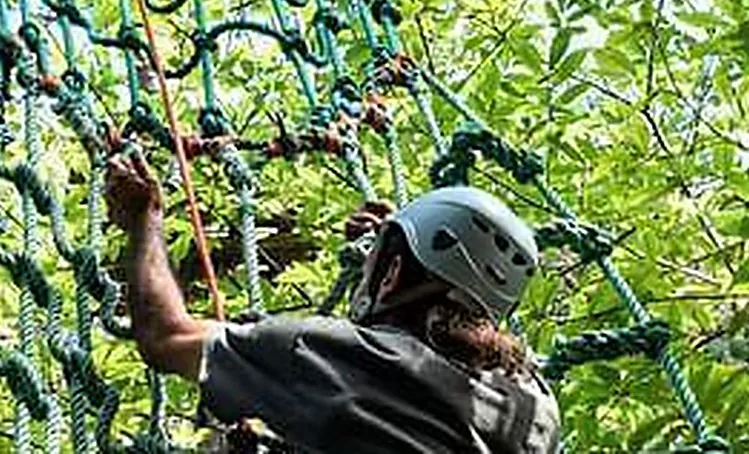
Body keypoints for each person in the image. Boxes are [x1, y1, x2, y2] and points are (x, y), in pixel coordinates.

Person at [105, 148, 561, 454]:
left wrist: (144, 219)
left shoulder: (319, 352)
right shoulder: (534, 410)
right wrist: (388, 247)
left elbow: (166, 336)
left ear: (393, 275)